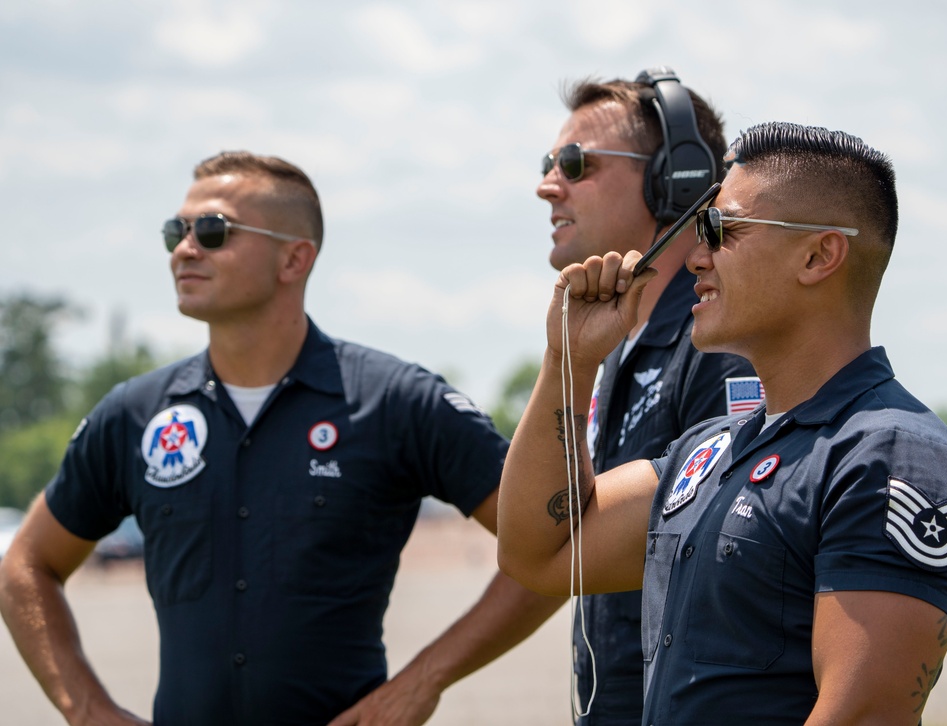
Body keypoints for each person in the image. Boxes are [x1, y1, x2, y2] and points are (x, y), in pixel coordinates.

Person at [0, 151, 562, 726]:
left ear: (295, 258)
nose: (185, 249)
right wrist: (87, 709)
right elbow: (26, 564)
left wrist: (426, 679)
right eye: (177, 230)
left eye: (213, 231)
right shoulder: (136, 415)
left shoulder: (396, 403)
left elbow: (555, 548)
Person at [497, 121, 947, 724]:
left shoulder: (890, 456)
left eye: (719, 229)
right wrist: (567, 365)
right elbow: (540, 554)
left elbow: (865, 714)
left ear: (818, 255)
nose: (695, 257)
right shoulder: (708, 451)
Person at [535, 67, 756, 724]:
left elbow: (730, 566)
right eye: (548, 162)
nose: (548, 184)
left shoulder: (718, 346)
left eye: (575, 163)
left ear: (675, 179)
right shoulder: (618, 348)